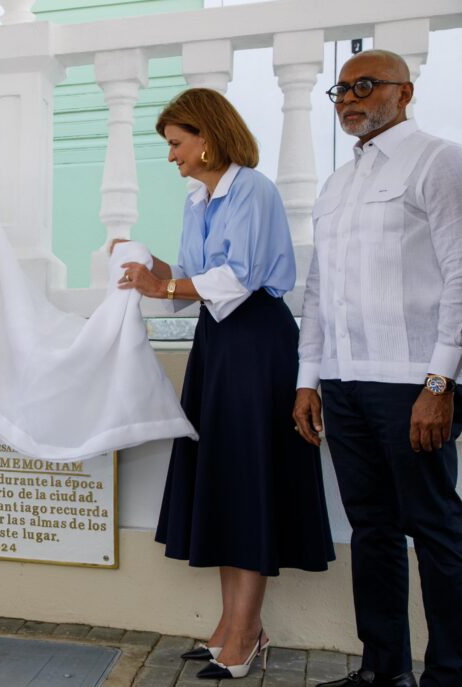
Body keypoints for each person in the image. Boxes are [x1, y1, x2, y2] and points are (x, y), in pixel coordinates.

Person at [116, 88, 335, 681]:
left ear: (206, 136)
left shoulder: (255, 190)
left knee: (247, 478)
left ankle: (245, 633)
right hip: (217, 344)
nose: (172, 157)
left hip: (257, 343)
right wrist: (156, 271)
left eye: (176, 144)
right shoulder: (198, 200)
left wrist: (163, 287)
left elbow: (235, 281)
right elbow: (197, 283)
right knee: (225, 476)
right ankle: (233, 626)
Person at [293, 50, 462, 687]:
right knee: (372, 529)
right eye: (341, 89)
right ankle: (381, 670)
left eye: (366, 86)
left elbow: (460, 277)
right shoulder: (338, 184)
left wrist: (440, 383)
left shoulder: (439, 161)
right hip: (342, 379)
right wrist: (309, 379)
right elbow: (316, 291)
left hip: (413, 382)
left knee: (438, 530)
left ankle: (450, 673)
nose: (348, 98)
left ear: (405, 92)